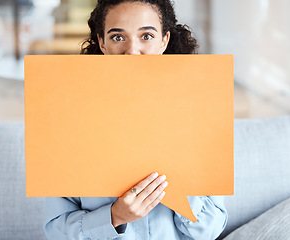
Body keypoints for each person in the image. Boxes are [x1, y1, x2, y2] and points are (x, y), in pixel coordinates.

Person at [44, 0, 228, 239]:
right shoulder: (66, 122)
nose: (132, 51)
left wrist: (176, 175)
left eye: (147, 36)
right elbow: (55, 231)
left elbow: (210, 230)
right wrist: (115, 217)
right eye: (118, 37)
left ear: (164, 41)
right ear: (102, 42)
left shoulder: (199, 116)